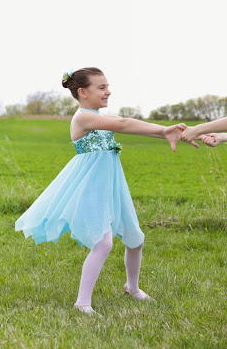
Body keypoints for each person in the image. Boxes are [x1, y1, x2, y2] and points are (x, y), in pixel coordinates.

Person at [15, 67, 194, 314]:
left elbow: (126, 125)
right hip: (91, 188)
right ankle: (82, 302)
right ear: (83, 92)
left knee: (136, 238)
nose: (108, 91)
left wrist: (165, 134)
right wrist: (164, 129)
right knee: (103, 243)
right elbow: (123, 124)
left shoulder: (98, 116)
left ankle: (132, 288)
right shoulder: (82, 117)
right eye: (101, 87)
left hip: (112, 185)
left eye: (107, 86)